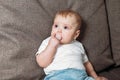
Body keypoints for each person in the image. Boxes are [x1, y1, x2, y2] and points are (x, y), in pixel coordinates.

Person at [36, 10, 108, 80]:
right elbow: (42, 63)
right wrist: (52, 46)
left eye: (65, 27)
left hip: (81, 75)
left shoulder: (78, 45)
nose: (59, 30)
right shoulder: (48, 42)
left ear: (76, 34)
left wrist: (95, 77)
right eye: (56, 26)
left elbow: (86, 63)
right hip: (57, 75)